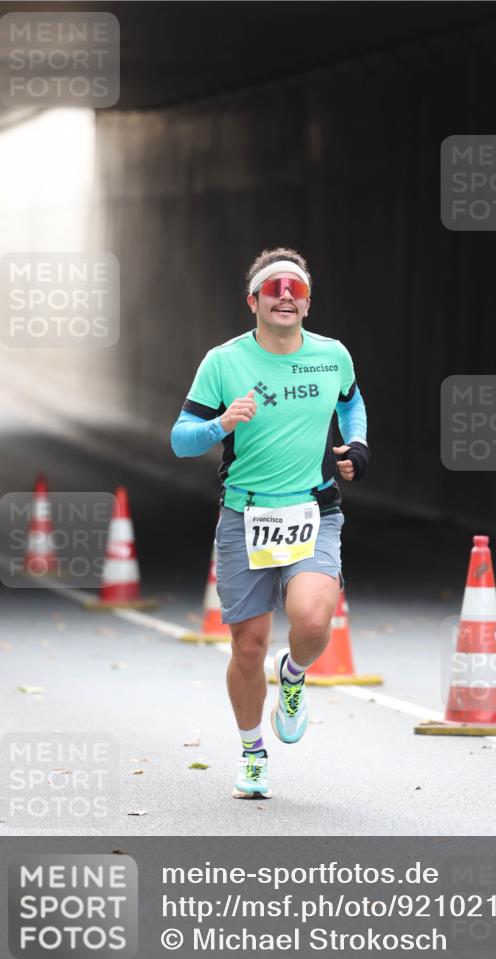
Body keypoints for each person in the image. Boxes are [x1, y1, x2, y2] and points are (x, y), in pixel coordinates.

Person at [171, 248, 369, 797]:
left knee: (310, 621)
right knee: (249, 647)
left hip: (313, 509)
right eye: (274, 287)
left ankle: (296, 674)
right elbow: (179, 439)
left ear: (307, 302)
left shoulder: (333, 356)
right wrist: (220, 424)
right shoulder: (223, 362)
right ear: (253, 301)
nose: (286, 295)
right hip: (246, 514)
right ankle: (252, 751)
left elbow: (352, 404)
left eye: (296, 288)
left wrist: (358, 445)